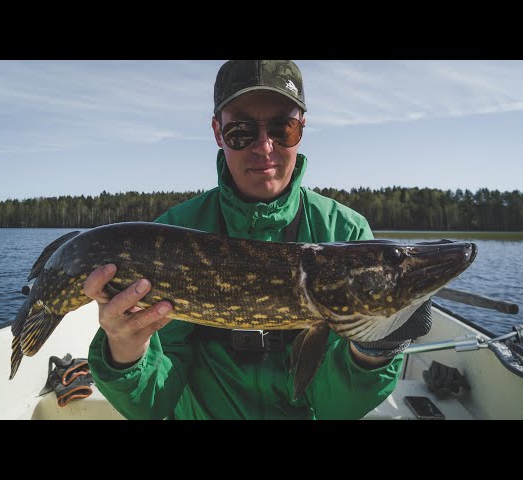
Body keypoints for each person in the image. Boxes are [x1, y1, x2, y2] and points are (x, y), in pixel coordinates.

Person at [84, 60, 432, 420]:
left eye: (283, 128)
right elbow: (152, 404)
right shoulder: (171, 237)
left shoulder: (345, 233)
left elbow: (334, 410)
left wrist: (373, 352)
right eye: (241, 131)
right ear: (218, 133)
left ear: (302, 129)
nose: (264, 147)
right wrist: (125, 352)